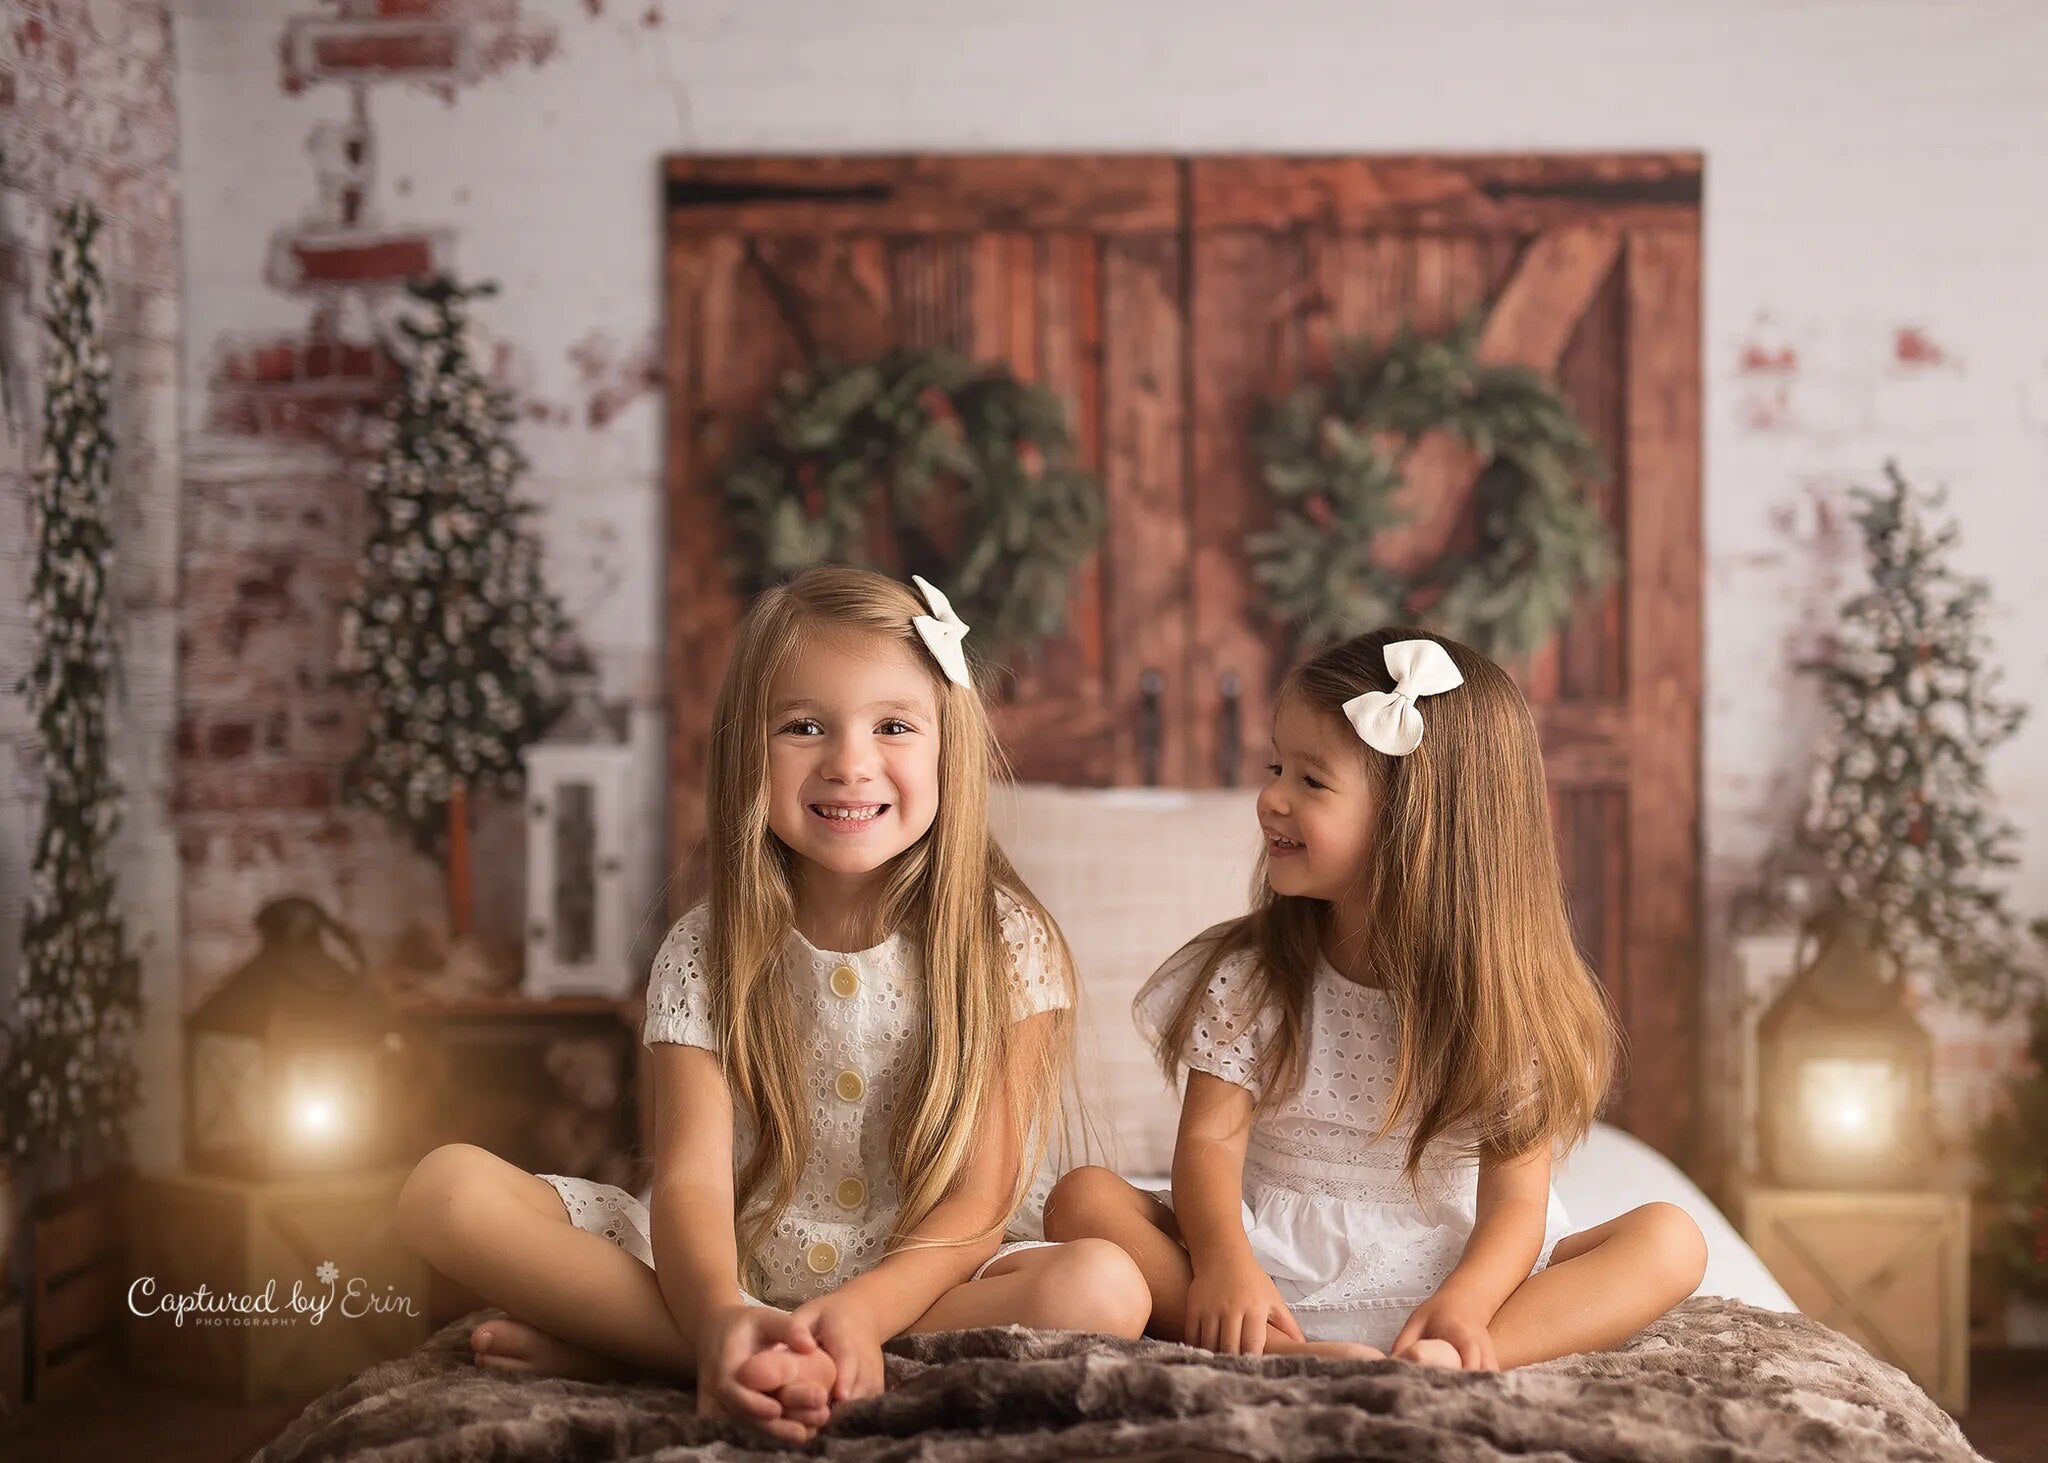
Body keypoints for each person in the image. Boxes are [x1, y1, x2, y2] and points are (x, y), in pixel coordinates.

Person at [398, 567, 1148, 1443]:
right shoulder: (706, 948)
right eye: (805, 726)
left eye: (894, 726)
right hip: (723, 1261)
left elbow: (979, 1201)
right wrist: (715, 1309)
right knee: (440, 1189)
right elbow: (688, 1184)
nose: (850, 762)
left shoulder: (1007, 945)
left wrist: (864, 1313)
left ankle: (647, 1351)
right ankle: (721, 1346)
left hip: (920, 1285)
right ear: (748, 748)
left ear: (951, 747)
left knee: (1105, 1286)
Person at [1043, 630, 1707, 1369]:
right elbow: (1208, 1143)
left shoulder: (1504, 1002)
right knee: (1082, 1196)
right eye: (1276, 766)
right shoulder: (1255, 973)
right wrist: (1226, 1263)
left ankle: (1456, 1355)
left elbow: (1516, 1203)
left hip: (1454, 1273)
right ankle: (1281, 1349)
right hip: (1273, 1271)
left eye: (1310, 781)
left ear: (1412, 821)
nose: (1271, 798)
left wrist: (1468, 1301)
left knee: (1670, 1240)